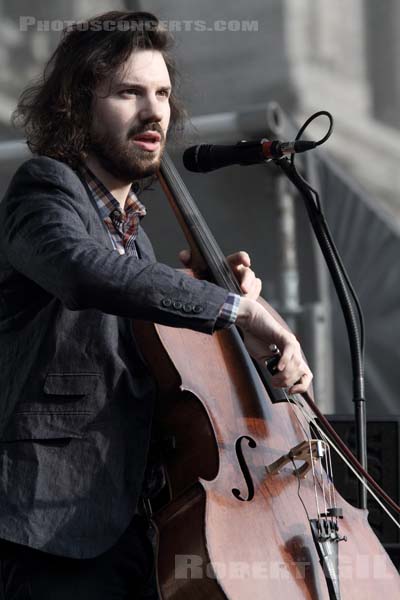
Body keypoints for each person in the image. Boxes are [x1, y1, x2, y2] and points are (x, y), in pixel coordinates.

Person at [0, 10, 312, 599]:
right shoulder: (44, 190)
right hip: (49, 522)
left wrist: (224, 330)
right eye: (129, 92)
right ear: (77, 104)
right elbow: (81, 273)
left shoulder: (135, 237)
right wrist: (234, 308)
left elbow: (144, 353)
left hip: (137, 524)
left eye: (163, 93)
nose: (155, 112)